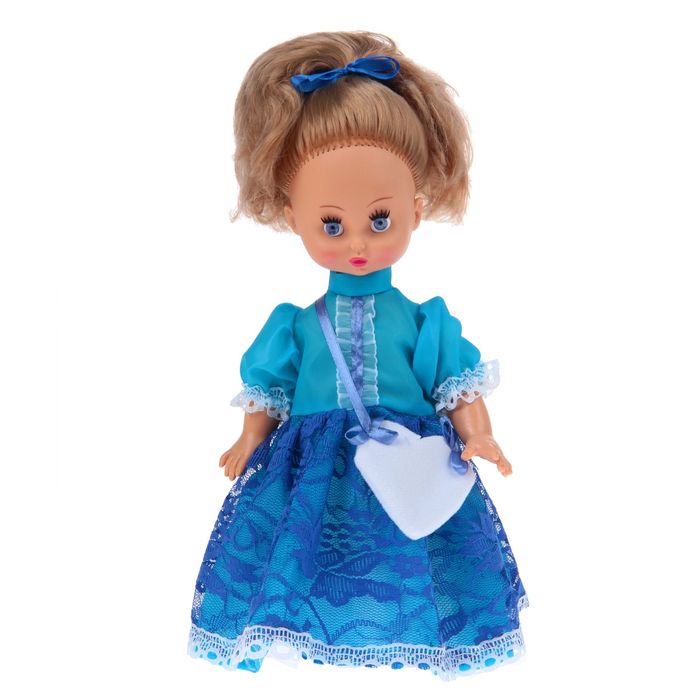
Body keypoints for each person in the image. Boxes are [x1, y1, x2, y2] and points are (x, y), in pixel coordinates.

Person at [187, 30, 529, 681]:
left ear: (416, 210)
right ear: (292, 216)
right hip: (311, 465)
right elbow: (271, 388)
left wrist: (478, 434)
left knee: (418, 549)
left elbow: (455, 380)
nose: (357, 244)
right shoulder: (294, 324)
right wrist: (249, 438)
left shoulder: (425, 319)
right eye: (330, 224)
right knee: (307, 549)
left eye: (379, 219)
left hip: (409, 454)